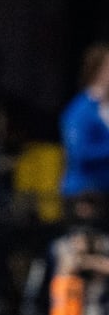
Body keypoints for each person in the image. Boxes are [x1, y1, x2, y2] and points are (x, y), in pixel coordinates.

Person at [59, 41, 109, 203]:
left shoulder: (103, 107)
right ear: (99, 71)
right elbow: (78, 153)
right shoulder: (80, 110)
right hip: (84, 194)